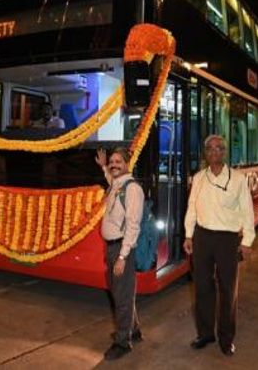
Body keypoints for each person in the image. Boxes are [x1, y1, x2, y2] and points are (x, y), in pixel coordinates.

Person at [183, 134, 255, 356]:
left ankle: (226, 339)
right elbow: (192, 207)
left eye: (219, 148)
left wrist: (247, 241)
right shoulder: (198, 178)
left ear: (224, 152)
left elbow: (247, 211)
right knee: (202, 288)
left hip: (227, 239)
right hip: (202, 237)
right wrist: (188, 235)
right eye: (210, 148)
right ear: (205, 153)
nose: (214, 152)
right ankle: (205, 334)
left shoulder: (238, 179)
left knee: (228, 289)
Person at [97, 147, 144, 360]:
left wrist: (123, 257)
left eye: (118, 162)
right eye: (112, 162)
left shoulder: (132, 189)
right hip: (112, 247)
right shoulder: (118, 184)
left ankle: (123, 342)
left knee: (122, 296)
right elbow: (111, 180)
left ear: (127, 164)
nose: (114, 164)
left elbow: (133, 226)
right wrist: (103, 167)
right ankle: (133, 330)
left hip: (121, 248)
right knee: (120, 292)